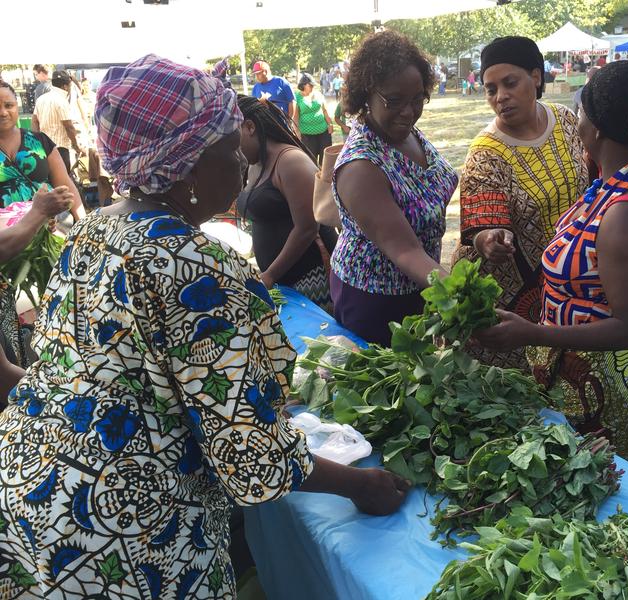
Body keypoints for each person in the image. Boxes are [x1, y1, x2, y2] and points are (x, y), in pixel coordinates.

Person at [0, 54, 409, 600]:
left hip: (32, 494)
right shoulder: (195, 265)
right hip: (123, 534)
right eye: (226, 146)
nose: (241, 160)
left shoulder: (95, 231)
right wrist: (361, 486)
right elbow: (250, 450)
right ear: (188, 165)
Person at [475, 59, 628, 479]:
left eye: (583, 110)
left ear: (598, 128)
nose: (576, 120)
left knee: (607, 494)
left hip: (611, 381)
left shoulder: (625, 215)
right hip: (606, 368)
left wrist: (530, 332)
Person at [451, 36, 588, 369]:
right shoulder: (486, 152)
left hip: (571, 281)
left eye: (510, 83)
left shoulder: (566, 121)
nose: (501, 97)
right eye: (491, 89)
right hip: (514, 296)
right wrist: (490, 240)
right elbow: (483, 225)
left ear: (536, 77)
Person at [330, 30, 458, 346]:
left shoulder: (407, 132)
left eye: (417, 99)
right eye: (394, 100)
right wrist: (461, 293)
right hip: (375, 299)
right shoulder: (361, 165)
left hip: (420, 282)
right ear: (367, 94)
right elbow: (404, 249)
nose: (408, 111)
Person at [0, 81, 84, 365]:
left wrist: (83, 227)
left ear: (18, 107)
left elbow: (67, 187)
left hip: (47, 236)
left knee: (55, 305)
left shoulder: (40, 141)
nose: (3, 112)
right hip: (6, 245)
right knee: (11, 316)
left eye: (8, 105)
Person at [237, 95, 337, 310]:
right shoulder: (256, 163)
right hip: (282, 281)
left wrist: (270, 274)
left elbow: (307, 228)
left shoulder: (290, 162)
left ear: (250, 126)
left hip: (310, 279)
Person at [32, 70, 85, 172]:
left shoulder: (41, 99)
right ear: (65, 86)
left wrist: (37, 141)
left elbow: (34, 121)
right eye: (70, 86)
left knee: (50, 179)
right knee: (63, 182)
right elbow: (68, 126)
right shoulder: (61, 101)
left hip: (44, 147)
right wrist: (76, 146)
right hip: (60, 149)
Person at [294, 73, 334, 165]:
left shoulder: (318, 95)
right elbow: (296, 117)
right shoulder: (297, 97)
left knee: (325, 160)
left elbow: (325, 111)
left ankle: (325, 178)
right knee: (311, 160)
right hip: (307, 136)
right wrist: (297, 132)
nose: (312, 87)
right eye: (310, 85)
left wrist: (330, 124)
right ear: (303, 85)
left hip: (324, 132)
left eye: (313, 85)